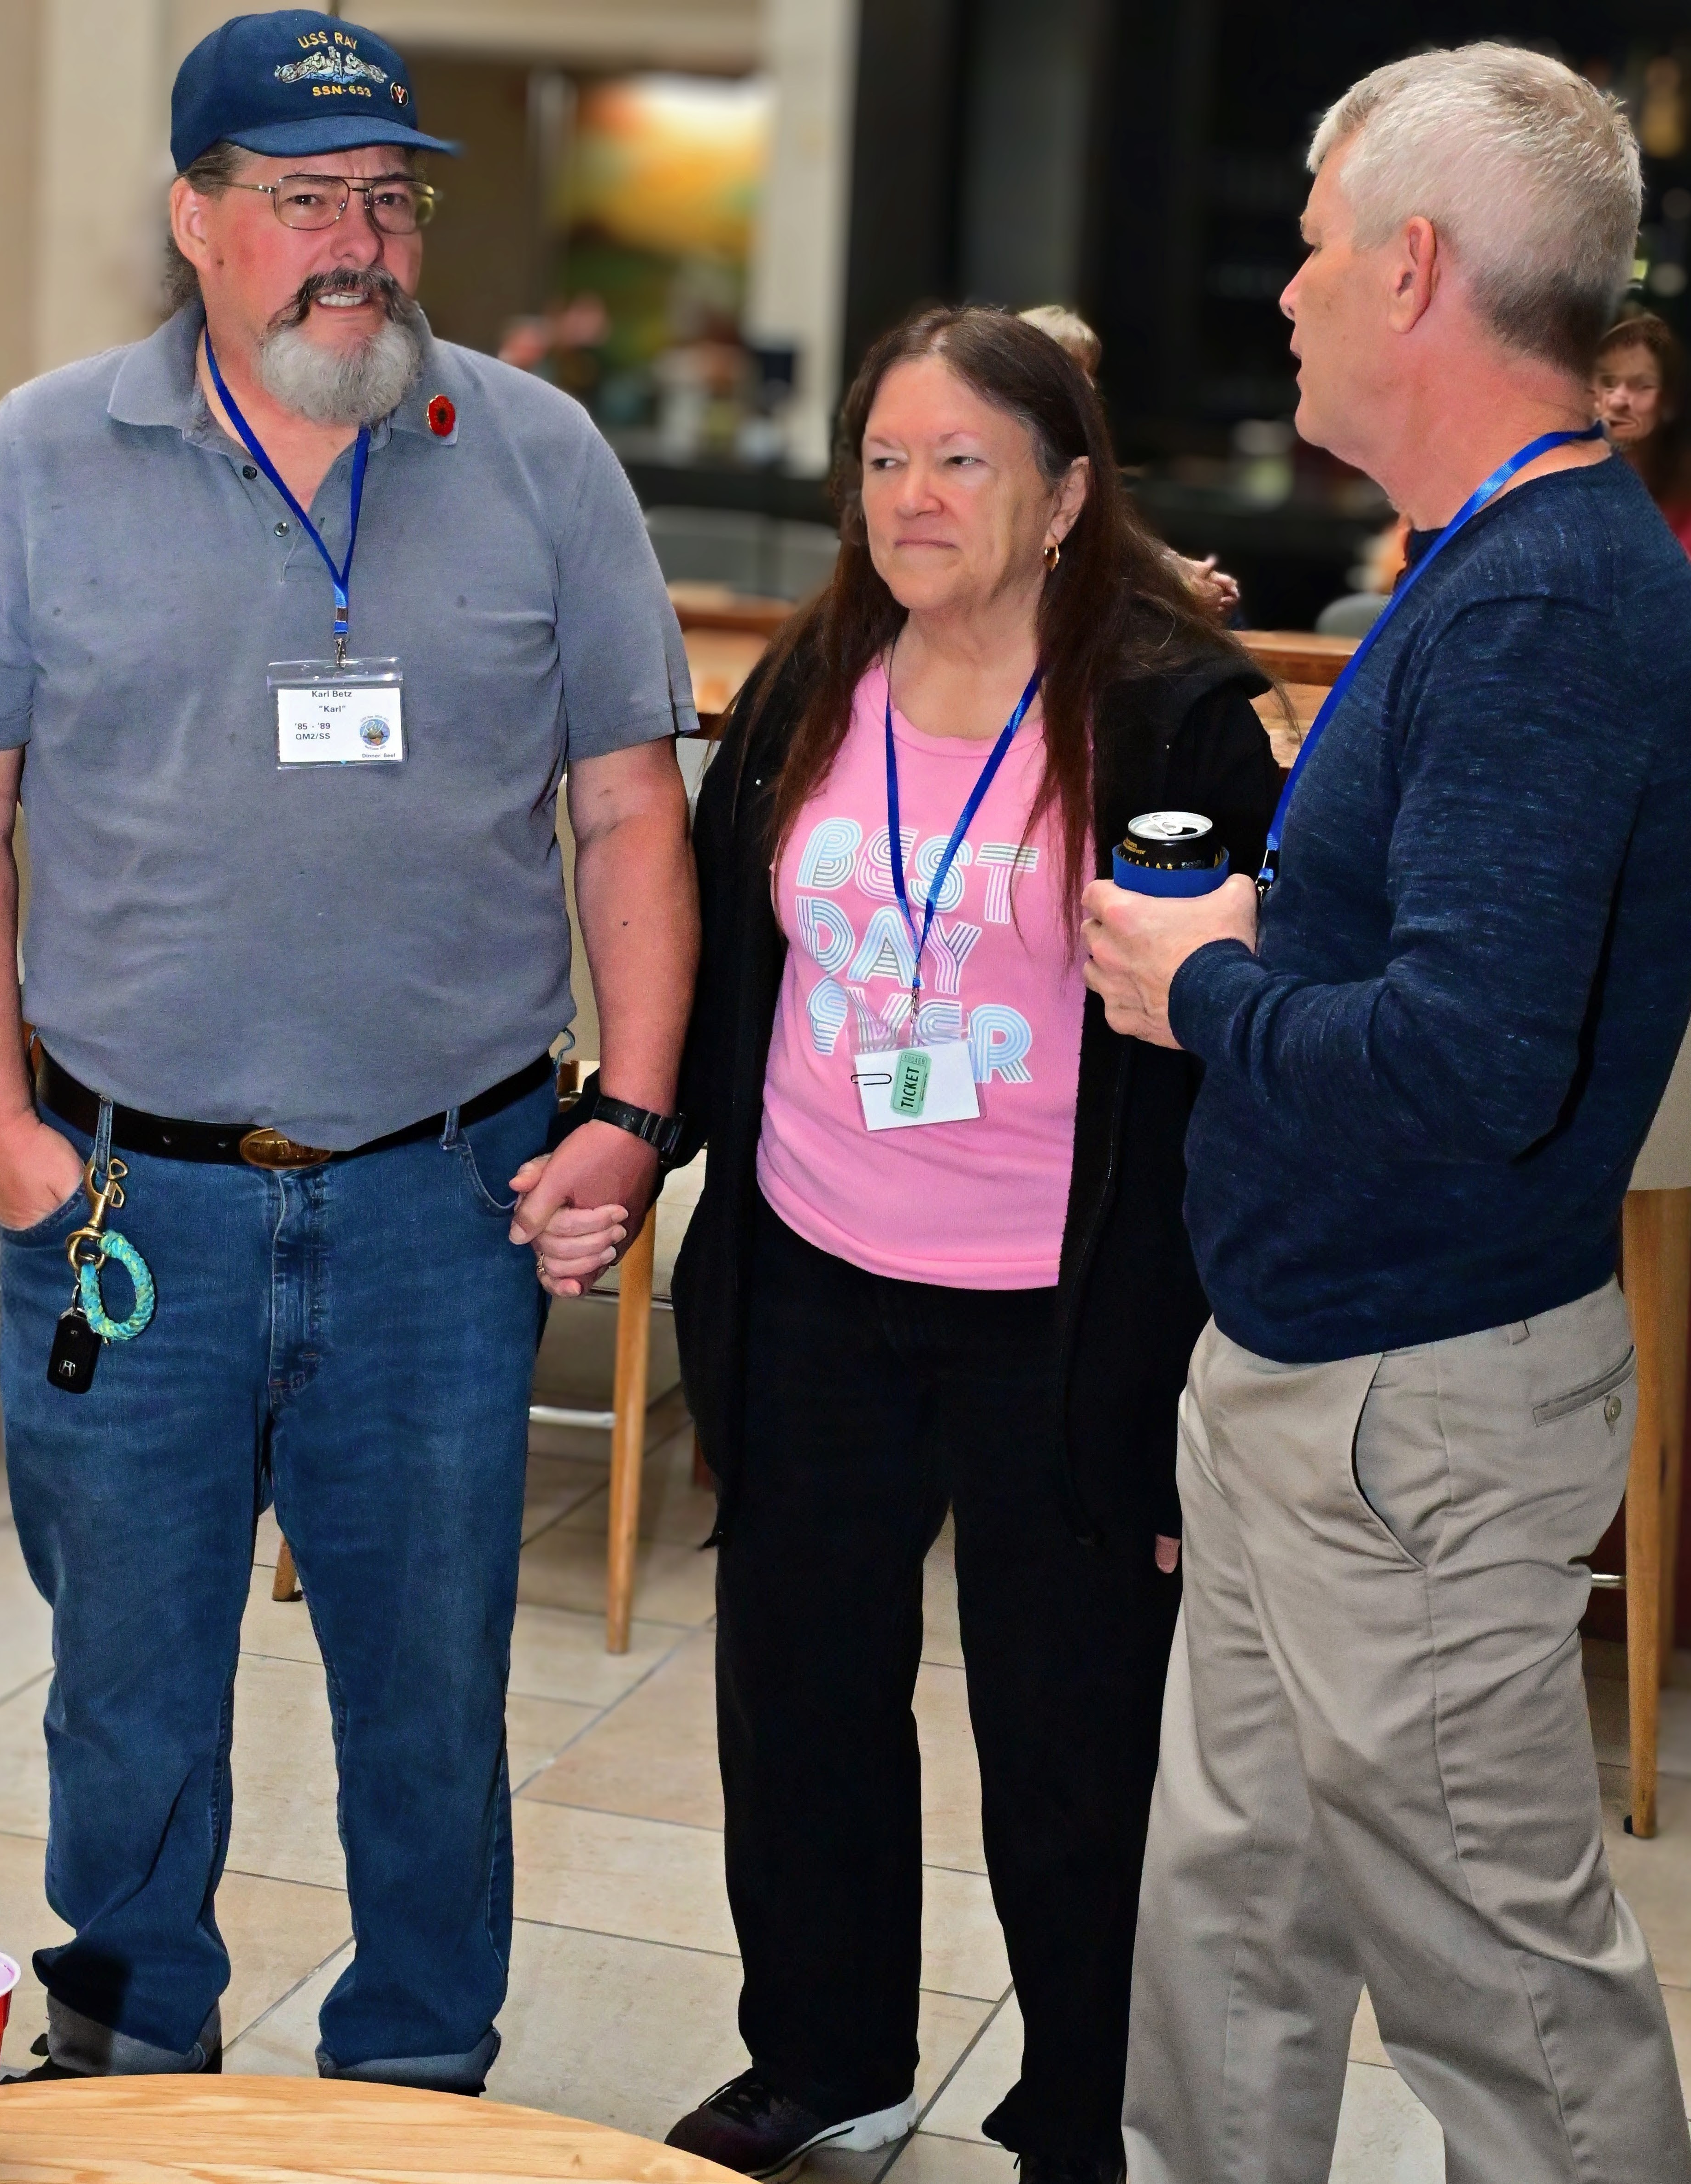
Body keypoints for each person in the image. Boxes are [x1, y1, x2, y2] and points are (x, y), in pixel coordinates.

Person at [0, 9, 697, 2088]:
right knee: (127, 1683)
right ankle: (128, 2044)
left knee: (427, 1686)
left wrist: (630, 1107)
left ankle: (418, 2075)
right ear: (195, 217)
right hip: (123, 1207)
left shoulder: (538, 455)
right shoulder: (42, 458)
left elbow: (627, 805)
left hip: (444, 1194)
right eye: (305, 198)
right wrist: (0, 1129)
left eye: (388, 199)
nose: (360, 243)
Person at [1081, 44, 1691, 2184]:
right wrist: (1282, 925)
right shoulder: (1493, 560)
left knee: (1507, 2005)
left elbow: (1472, 1068)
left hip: (1411, 1407)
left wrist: (1207, 984)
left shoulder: (1544, 601)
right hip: (1320, 1374)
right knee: (1232, 1927)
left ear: (1414, 266)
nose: (1284, 291)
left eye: (1312, 246)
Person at [623, 305, 1275, 2184]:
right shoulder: (814, 677)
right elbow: (732, 953)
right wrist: (639, 1146)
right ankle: (821, 2055)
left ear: (1065, 495)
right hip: (814, 1272)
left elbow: (1234, 1061)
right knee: (801, 1696)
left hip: (1063, 1316)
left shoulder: (1169, 713)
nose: (912, 497)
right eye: (886, 461)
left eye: (962, 461)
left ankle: (1083, 2109)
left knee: (1072, 1739)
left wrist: (1195, 1356)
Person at [1020, 305, 1242, 624]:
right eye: (1074, 373)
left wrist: (1179, 570)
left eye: (1090, 375)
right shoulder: (1024, 464)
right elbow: (1060, 576)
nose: (1090, 391)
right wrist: (1176, 591)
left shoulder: (1085, 463)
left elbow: (1119, 550)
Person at [1596, 310, 1691, 625]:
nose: (1619, 400)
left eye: (1641, 385)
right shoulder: (1562, 487)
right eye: (1608, 382)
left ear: (1669, 401)